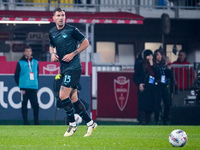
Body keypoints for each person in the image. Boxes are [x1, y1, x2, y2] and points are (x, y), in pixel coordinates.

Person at [49, 7, 97, 137]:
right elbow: (51, 45)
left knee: (63, 95)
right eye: (58, 15)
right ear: (53, 18)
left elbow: (86, 43)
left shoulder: (72, 30)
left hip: (74, 67)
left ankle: (72, 124)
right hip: (64, 69)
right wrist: (52, 54)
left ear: (65, 17)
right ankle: (90, 123)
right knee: (74, 98)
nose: (61, 17)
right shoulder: (52, 32)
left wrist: (73, 53)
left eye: (63, 15)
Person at [14, 46, 39, 125]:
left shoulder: (35, 62)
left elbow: (37, 73)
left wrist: (34, 81)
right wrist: (20, 85)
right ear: (24, 53)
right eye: (27, 51)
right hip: (24, 87)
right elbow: (16, 75)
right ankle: (25, 121)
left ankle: (36, 121)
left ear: (31, 52)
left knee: (35, 105)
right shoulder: (20, 62)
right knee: (24, 104)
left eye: (29, 51)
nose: (28, 53)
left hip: (33, 86)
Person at [133, 49, 156, 125]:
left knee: (150, 105)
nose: (150, 57)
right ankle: (141, 120)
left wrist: (152, 64)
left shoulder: (153, 65)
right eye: (149, 55)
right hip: (143, 86)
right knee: (142, 104)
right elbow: (135, 76)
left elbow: (157, 74)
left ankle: (148, 120)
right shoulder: (140, 64)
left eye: (151, 55)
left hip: (151, 88)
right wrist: (139, 84)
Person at [153, 49, 173, 125]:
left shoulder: (164, 65)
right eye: (158, 55)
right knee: (157, 104)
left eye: (160, 54)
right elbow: (156, 74)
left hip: (164, 85)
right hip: (157, 85)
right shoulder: (154, 65)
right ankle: (157, 120)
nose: (159, 56)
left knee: (167, 103)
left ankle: (165, 119)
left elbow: (169, 75)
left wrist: (169, 69)